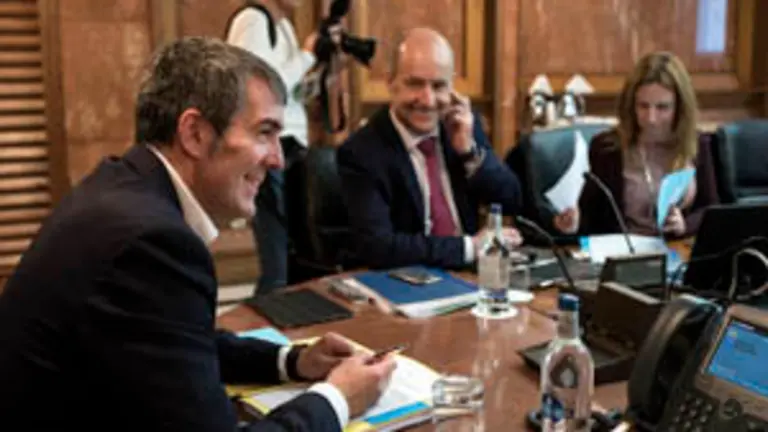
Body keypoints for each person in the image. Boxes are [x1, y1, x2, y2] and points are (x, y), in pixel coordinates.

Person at [0, 37, 395, 431]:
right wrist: (338, 398)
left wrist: (292, 361)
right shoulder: (150, 241)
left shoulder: (124, 189)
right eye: (264, 132)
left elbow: (177, 343)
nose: (278, 159)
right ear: (195, 134)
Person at [337, 28, 523, 270]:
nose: (427, 100)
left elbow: (511, 200)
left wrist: (469, 152)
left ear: (452, 86)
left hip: (468, 276)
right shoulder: (362, 152)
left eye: (438, 86)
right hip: (407, 279)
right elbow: (379, 247)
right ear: (390, 82)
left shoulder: (460, 125)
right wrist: (469, 247)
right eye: (415, 84)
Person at [552, 51, 719, 238]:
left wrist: (685, 225)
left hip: (678, 247)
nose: (651, 118)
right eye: (643, 106)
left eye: (662, 107)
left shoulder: (697, 143)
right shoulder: (606, 148)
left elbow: (710, 209)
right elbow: (591, 216)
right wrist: (574, 223)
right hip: (625, 249)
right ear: (631, 105)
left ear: (680, 108)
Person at [225, 0, 323, 294]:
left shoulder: (284, 27)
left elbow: (290, 96)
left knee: (297, 253)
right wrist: (308, 55)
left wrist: (324, 74)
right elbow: (262, 90)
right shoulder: (253, 21)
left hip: (292, 147)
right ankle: (271, 313)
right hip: (267, 150)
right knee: (276, 255)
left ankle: (292, 312)